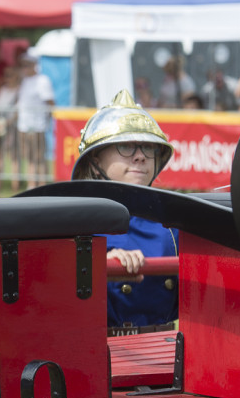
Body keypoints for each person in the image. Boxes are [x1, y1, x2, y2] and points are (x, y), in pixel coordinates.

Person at [72, 89, 178, 334]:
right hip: (98, 353)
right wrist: (98, 266)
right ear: (95, 160)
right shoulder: (72, 221)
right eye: (127, 146)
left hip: (167, 354)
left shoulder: (173, 222)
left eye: (148, 148)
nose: (140, 156)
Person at [15, 52, 55, 189]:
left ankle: (42, 185)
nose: (24, 68)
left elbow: (50, 102)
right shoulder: (25, 81)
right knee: (29, 157)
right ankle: (32, 185)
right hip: (24, 125)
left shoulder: (42, 80)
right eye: (23, 65)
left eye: (27, 65)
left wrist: (46, 121)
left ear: (34, 65)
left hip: (38, 125)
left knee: (39, 157)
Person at [0, 64, 20, 191]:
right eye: (6, 75)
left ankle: (15, 186)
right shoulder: (3, 90)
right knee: (0, 156)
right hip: (0, 127)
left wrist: (6, 123)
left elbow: (18, 112)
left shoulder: (19, 91)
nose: (7, 78)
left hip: (12, 127)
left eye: (10, 75)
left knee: (14, 157)